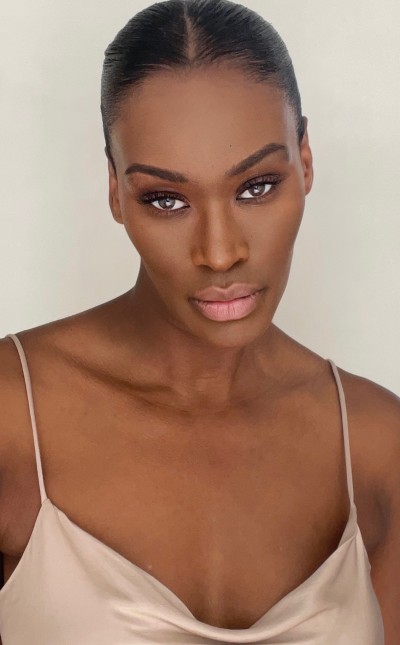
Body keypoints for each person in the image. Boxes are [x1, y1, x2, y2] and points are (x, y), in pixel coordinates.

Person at [0, 0, 398, 642]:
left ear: (306, 162)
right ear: (115, 191)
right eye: (166, 199)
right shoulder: (12, 417)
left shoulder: (378, 444)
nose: (219, 252)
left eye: (256, 187)